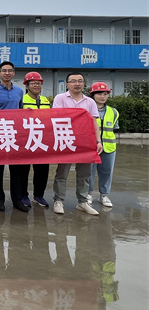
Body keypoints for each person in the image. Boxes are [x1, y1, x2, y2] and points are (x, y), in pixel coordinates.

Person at [52, 72, 103, 216]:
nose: (77, 84)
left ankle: (82, 201)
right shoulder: (60, 98)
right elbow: (56, 118)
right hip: (66, 139)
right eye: (73, 81)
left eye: (80, 81)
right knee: (62, 172)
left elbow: (94, 122)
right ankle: (58, 200)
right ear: (67, 84)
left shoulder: (90, 102)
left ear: (84, 84)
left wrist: (98, 141)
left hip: (85, 142)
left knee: (84, 173)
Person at [0, 61, 24, 212]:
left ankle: (17, 200)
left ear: (14, 73)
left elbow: (20, 111)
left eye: (10, 70)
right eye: (4, 70)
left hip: (14, 136)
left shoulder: (19, 91)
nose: (7, 73)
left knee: (16, 171)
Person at [21, 72, 52, 208]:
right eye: (33, 83)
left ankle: (39, 195)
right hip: (26, 139)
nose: (36, 86)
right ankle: (23, 195)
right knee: (23, 170)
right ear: (27, 86)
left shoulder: (46, 101)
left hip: (42, 140)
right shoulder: (21, 100)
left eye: (39, 83)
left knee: (42, 170)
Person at [88, 82, 119, 208]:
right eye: (99, 94)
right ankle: (88, 194)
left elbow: (114, 128)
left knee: (107, 172)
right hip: (91, 147)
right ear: (93, 95)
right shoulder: (87, 110)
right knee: (89, 172)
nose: (102, 97)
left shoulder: (114, 112)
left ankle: (104, 195)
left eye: (105, 94)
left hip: (109, 147)